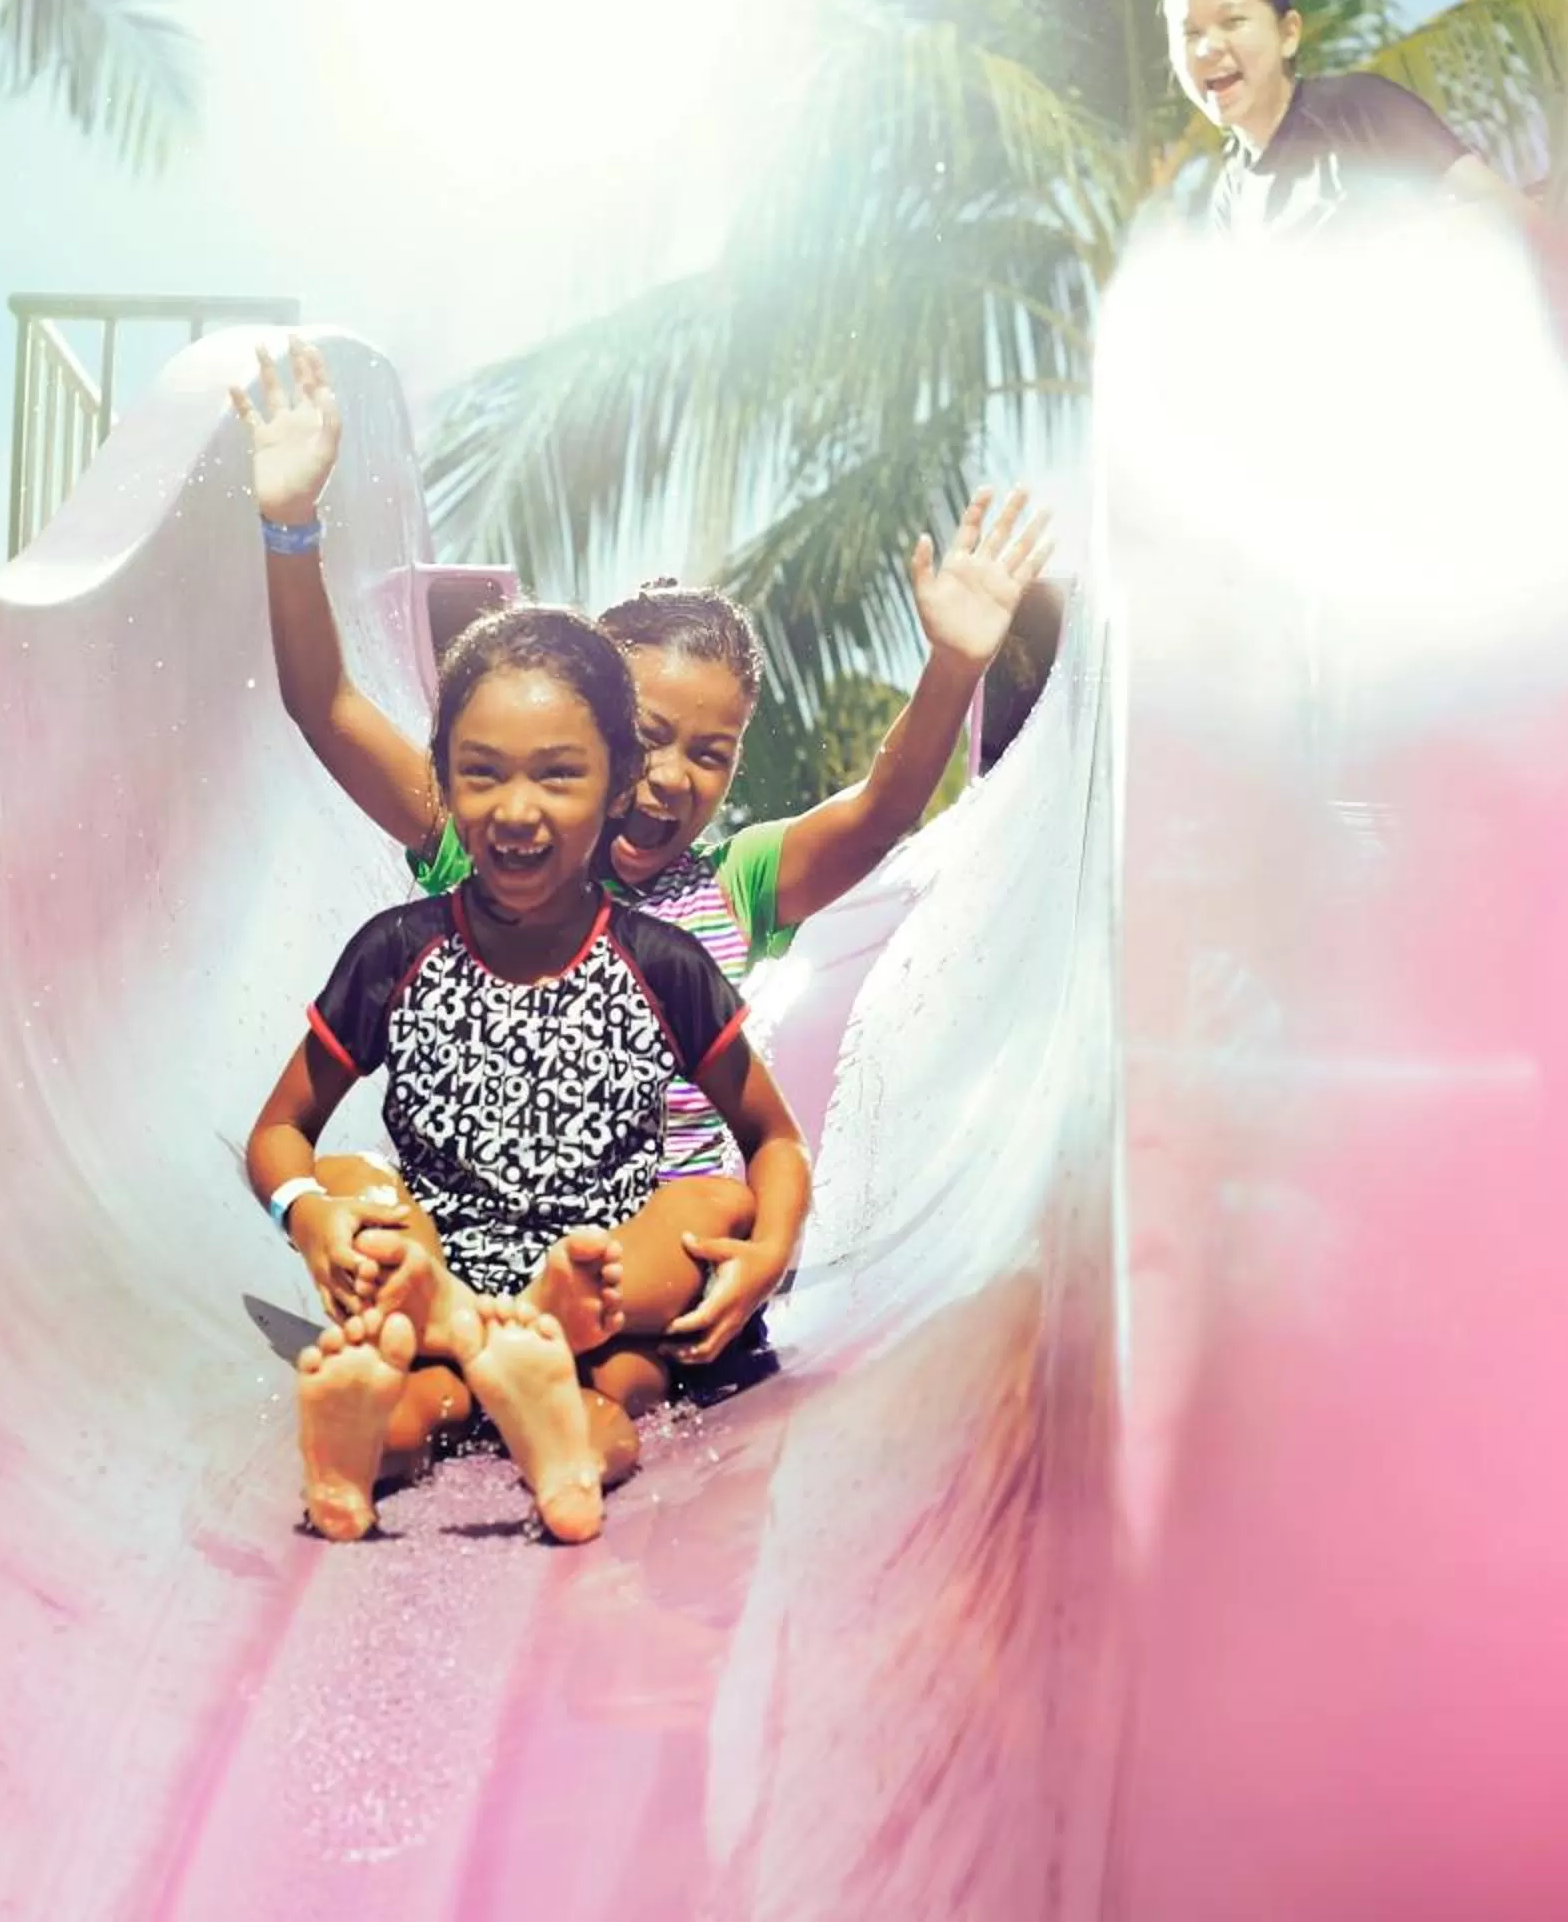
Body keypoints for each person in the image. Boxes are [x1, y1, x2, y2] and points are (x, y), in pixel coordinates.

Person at [232, 337, 1051, 1411]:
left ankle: (502, 1351)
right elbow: (327, 707)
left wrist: (954, 664)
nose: (670, 779)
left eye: (710, 754)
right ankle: (486, 1354)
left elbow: (883, 808)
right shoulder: (484, 835)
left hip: (663, 1251)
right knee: (382, 1210)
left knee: (700, 1214)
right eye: (651, 738)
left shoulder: (734, 884)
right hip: (491, 1219)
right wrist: (290, 527)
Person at [247, 606, 812, 1543]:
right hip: (430, 1276)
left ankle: (533, 1419)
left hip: (599, 1286)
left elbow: (772, 1139)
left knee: (696, 1231)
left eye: (559, 775)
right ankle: (373, 1441)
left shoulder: (662, 961)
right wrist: (306, 1214)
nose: (517, 810)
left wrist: (765, 1258)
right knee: (357, 1195)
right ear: (444, 779)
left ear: (617, 782)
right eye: (482, 774)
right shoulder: (398, 952)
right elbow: (282, 1133)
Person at [1165, 0, 1533, 239]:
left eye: (1232, 21)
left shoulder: (1362, 110)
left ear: (1288, 34)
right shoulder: (1230, 201)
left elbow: (1521, 225)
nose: (1206, 48)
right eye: (1190, 33)